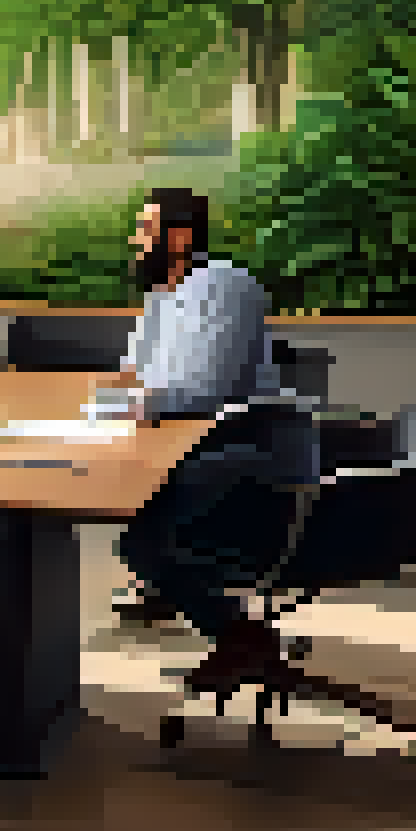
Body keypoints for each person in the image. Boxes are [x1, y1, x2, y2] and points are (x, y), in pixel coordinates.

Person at [106, 189, 308, 696]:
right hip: (212, 443)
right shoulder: (166, 293)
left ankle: (240, 637)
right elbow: (134, 373)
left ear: (178, 237)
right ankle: (205, 608)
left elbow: (208, 388)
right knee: (142, 519)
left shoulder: (223, 286)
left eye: (146, 229)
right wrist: (123, 395)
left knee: (142, 537)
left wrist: (137, 402)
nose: (136, 240)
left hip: (256, 455)